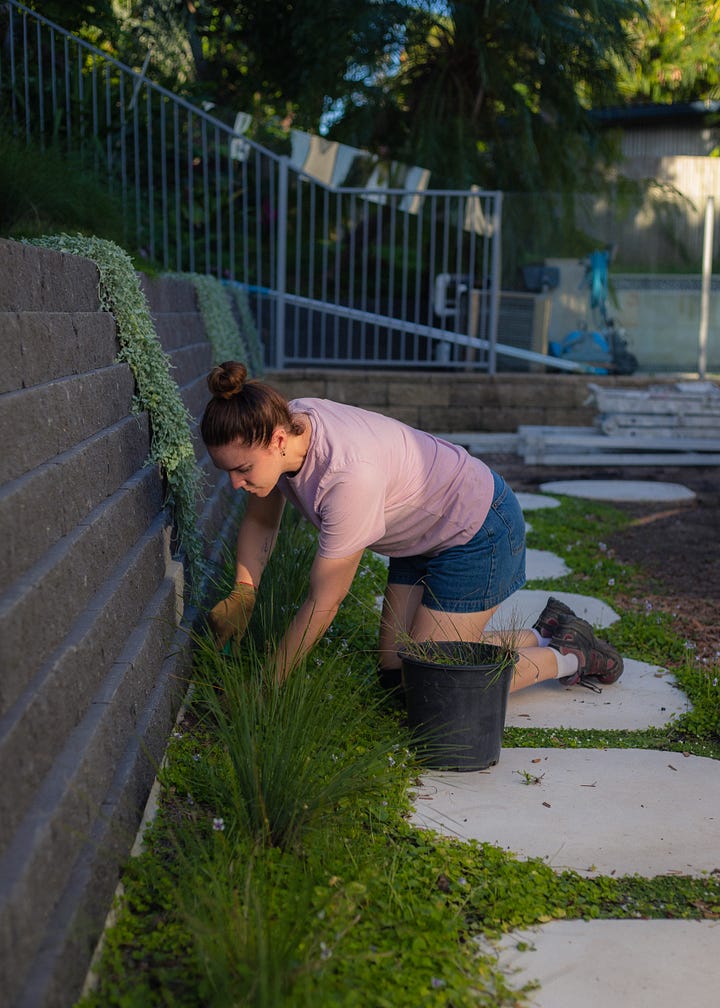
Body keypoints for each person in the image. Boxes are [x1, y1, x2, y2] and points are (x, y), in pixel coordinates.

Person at [201, 360, 623, 692]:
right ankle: (544, 633)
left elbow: (323, 602)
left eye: (242, 470)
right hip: (420, 532)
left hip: (476, 529)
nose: (236, 484)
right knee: (396, 674)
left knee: (434, 684)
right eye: (229, 473)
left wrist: (266, 686)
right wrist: (244, 590)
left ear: (276, 440)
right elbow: (262, 516)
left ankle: (571, 655)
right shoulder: (288, 423)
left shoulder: (348, 478)